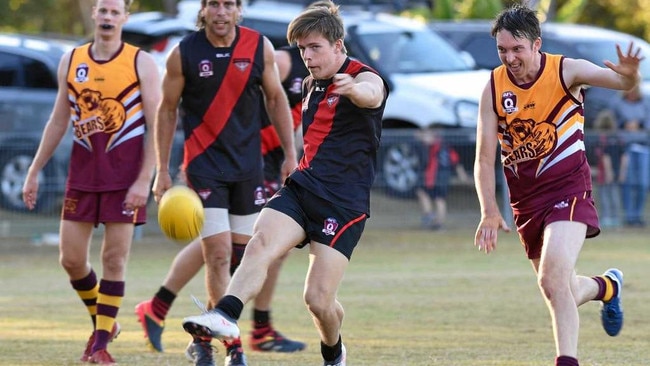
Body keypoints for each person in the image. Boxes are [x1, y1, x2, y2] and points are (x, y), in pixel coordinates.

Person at [181, 2, 389, 366]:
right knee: (260, 243)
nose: (307, 56)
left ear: (338, 45)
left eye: (315, 47)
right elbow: (305, 134)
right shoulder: (310, 84)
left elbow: (372, 94)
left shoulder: (364, 77)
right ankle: (224, 316)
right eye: (302, 49)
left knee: (319, 300)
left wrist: (354, 90)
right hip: (302, 187)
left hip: (343, 203)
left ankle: (334, 354)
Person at [473, 4, 642, 366]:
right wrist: (489, 209)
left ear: (537, 44)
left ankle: (567, 361)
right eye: (502, 50)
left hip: (569, 189)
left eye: (517, 49)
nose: (510, 58)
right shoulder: (492, 87)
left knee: (552, 278)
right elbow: (485, 158)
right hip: (526, 203)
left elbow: (621, 83)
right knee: (558, 287)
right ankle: (607, 286)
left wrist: (630, 78)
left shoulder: (567, 70)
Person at [134, 45, 308, 356]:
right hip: (249, 161)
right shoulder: (285, 61)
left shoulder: (332, 69)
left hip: (263, 161)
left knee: (228, 246)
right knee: (251, 247)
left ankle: (159, 306)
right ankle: (255, 331)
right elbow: (254, 102)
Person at [21, 0, 160, 364]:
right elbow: (57, 121)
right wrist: (34, 171)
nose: (108, 18)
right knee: (70, 259)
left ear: (125, 18)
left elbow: (157, 128)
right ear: (94, 15)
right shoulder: (72, 59)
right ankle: (105, 322)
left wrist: (144, 179)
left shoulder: (140, 62)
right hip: (82, 177)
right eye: (103, 11)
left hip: (125, 179)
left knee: (114, 259)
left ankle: (100, 344)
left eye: (115, 12)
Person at [414, 127, 470, 230]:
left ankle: (430, 217)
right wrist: (462, 175)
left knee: (427, 194)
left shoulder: (438, 144)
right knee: (438, 198)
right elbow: (456, 162)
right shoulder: (446, 146)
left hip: (434, 176)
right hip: (442, 177)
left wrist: (419, 136)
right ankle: (436, 221)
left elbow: (455, 162)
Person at [612, 85, 650, 227]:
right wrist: (624, 124)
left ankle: (637, 215)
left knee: (642, 184)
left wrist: (639, 124)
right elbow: (611, 121)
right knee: (627, 183)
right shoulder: (617, 103)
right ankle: (628, 216)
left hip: (643, 146)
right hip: (625, 148)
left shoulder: (646, 102)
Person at [592, 110, 623, 228]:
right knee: (613, 195)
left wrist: (608, 172)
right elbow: (624, 156)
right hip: (615, 171)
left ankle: (608, 218)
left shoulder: (601, 139)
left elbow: (605, 157)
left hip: (604, 172)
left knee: (605, 195)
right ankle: (614, 218)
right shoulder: (618, 138)